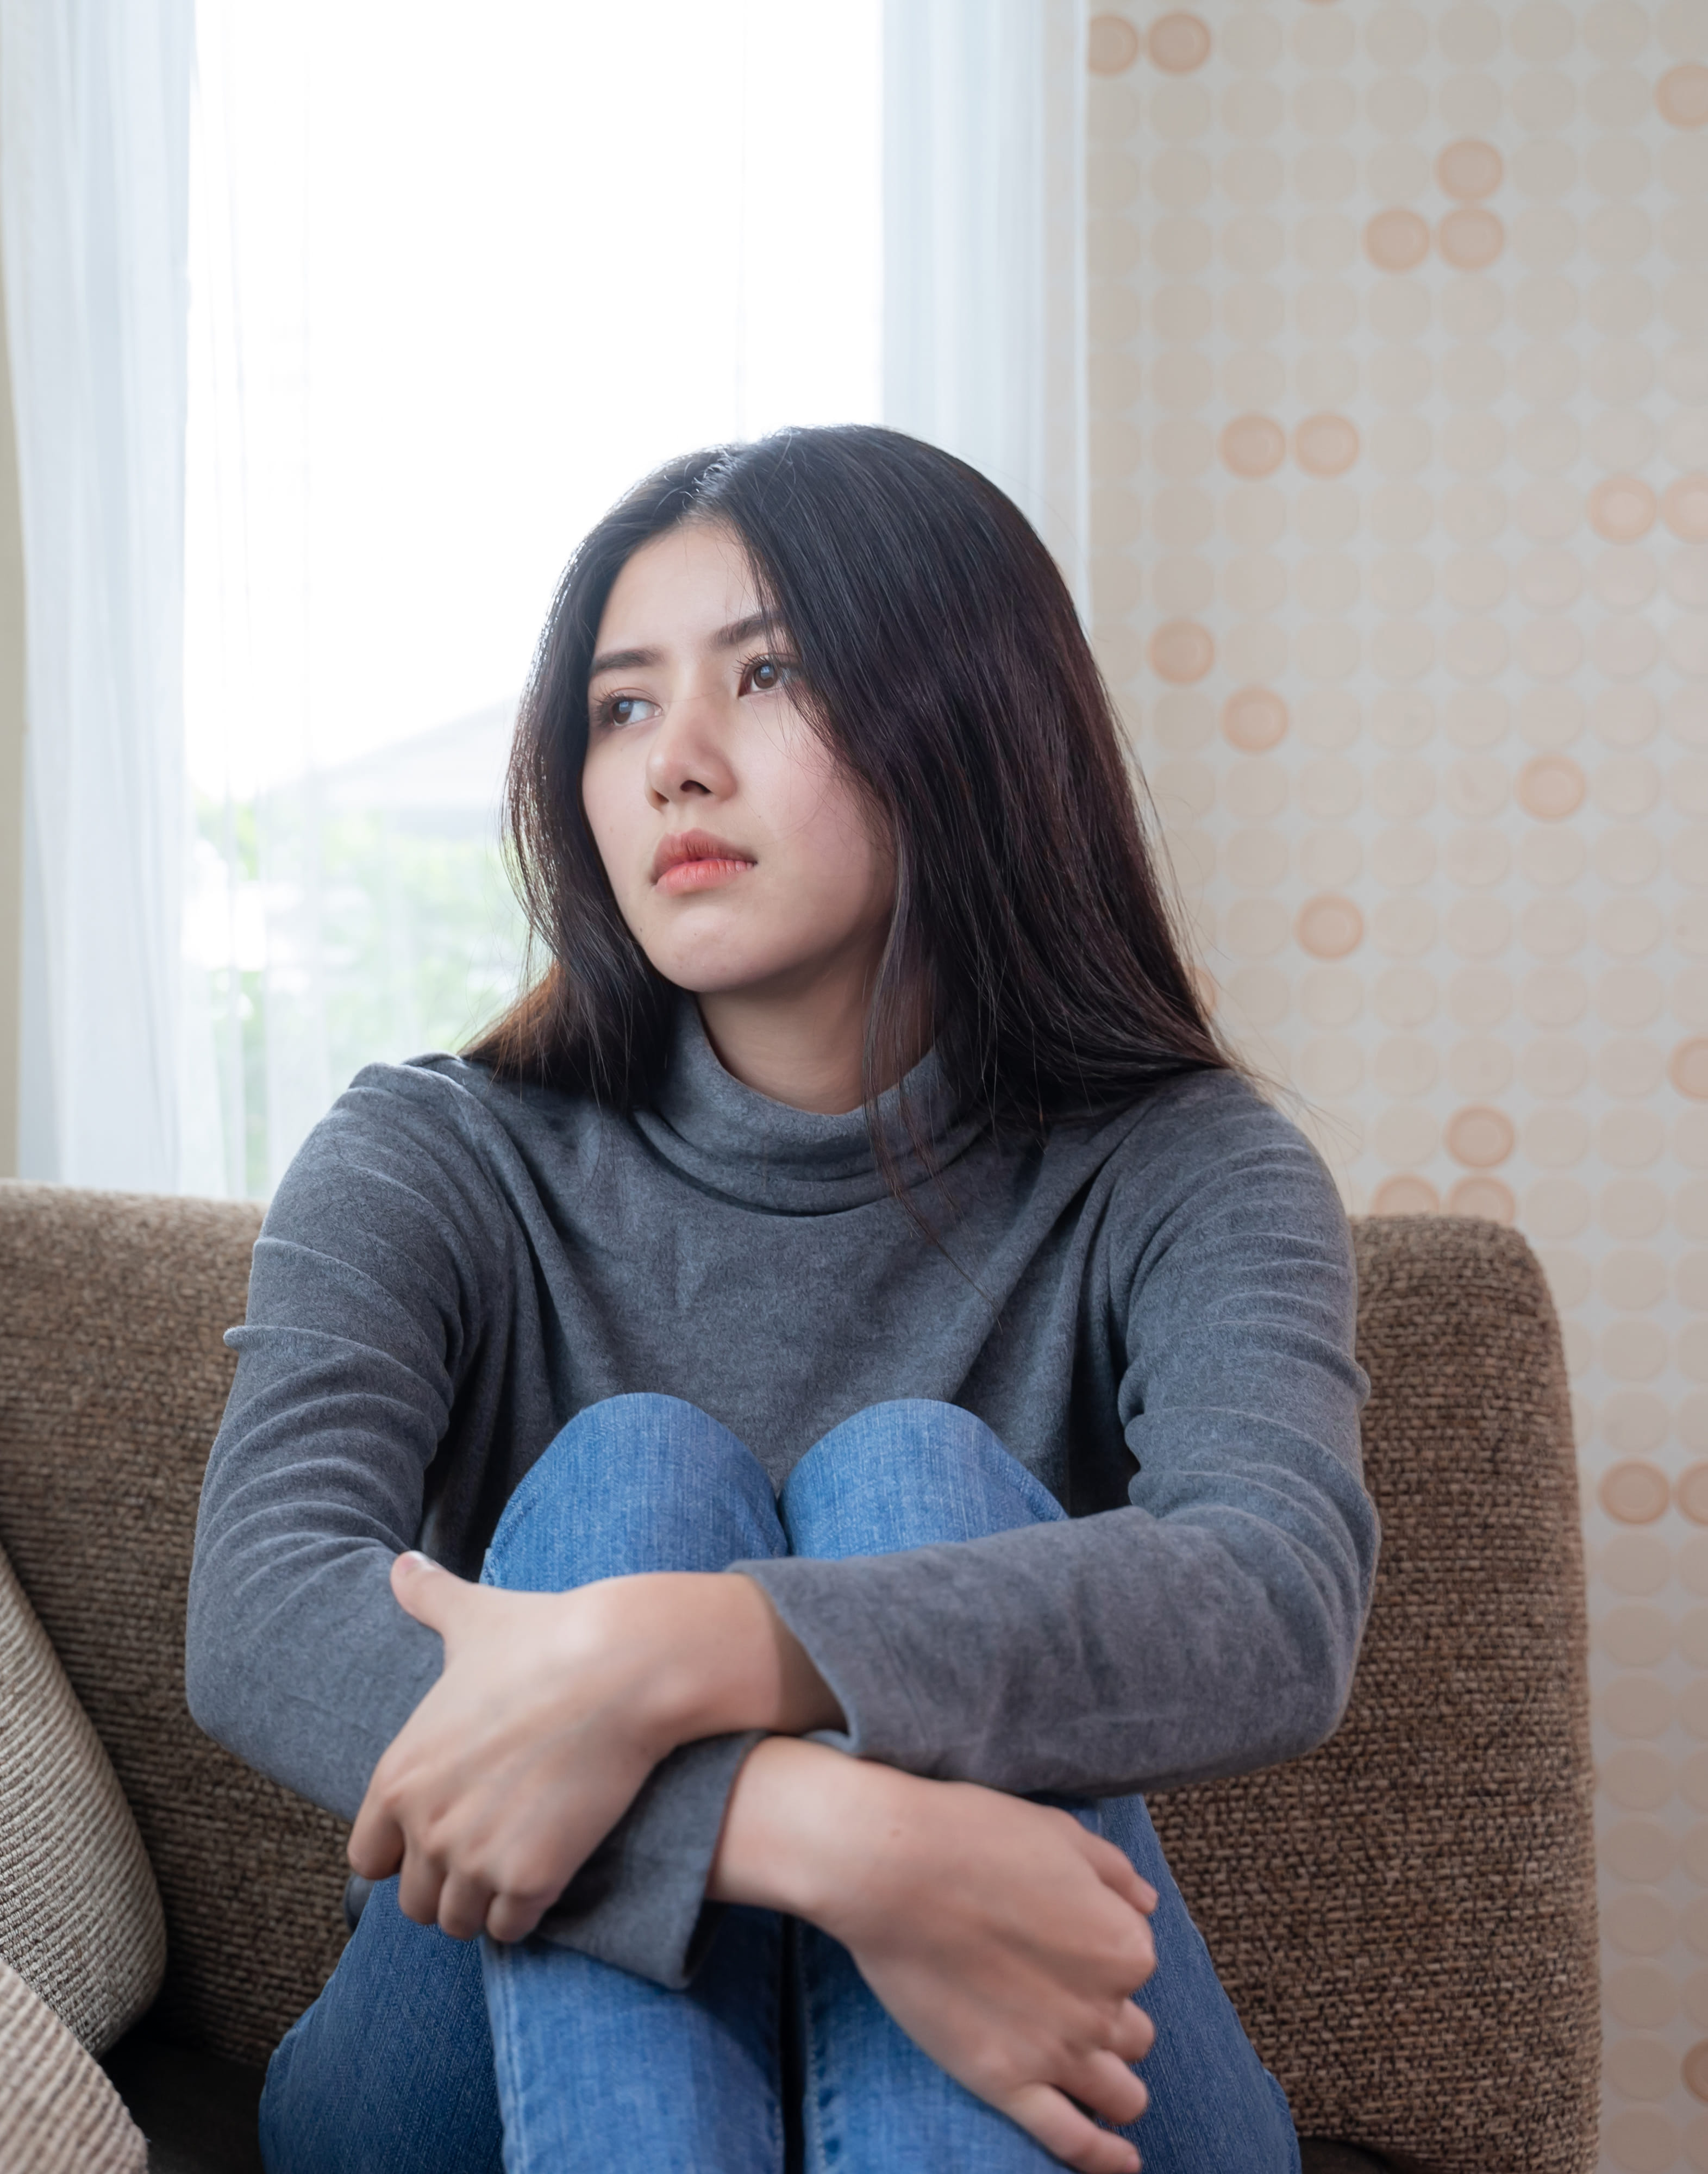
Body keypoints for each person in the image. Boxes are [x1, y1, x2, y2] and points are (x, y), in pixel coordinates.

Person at [185, 426, 1373, 2174]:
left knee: (917, 1474)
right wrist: (830, 1838)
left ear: (971, 721)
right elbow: (262, 1609)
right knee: (631, 1474)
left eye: (769, 675)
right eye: (622, 706)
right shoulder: (435, 1151)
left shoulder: (1187, 1165)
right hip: (464, 2083)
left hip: (1059, 2056)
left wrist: (688, 1651)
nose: (677, 763)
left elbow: (1276, 1595)